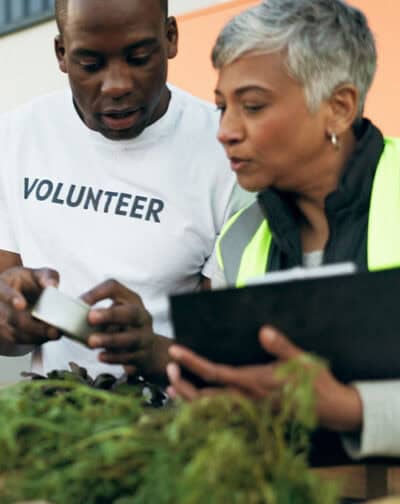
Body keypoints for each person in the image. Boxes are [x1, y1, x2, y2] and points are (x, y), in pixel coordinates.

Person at [165, 0, 400, 459]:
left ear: (339, 108)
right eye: (221, 107)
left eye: (252, 106)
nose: (226, 131)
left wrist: (354, 410)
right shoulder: (237, 238)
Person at [0, 0, 250, 381]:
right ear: (61, 54)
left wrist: (151, 349)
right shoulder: (14, 138)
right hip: (57, 415)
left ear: (170, 38)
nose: (117, 85)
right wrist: (13, 315)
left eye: (138, 58)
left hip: (178, 422)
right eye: (91, 64)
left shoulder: (227, 148)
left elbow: (235, 351)